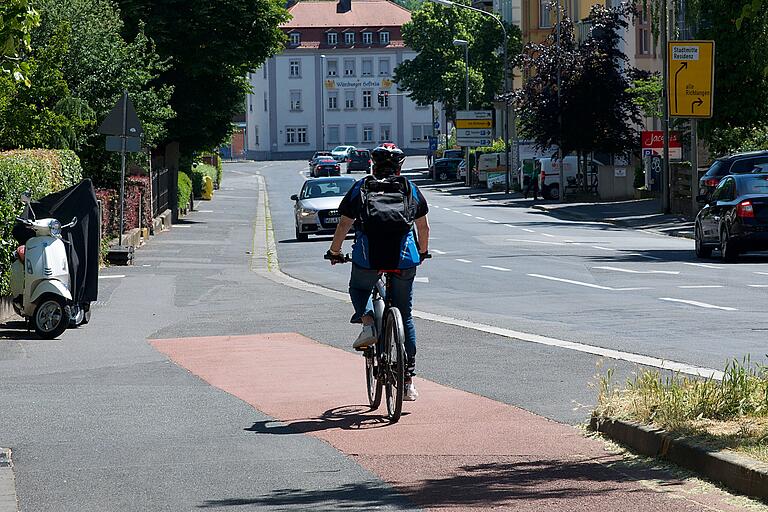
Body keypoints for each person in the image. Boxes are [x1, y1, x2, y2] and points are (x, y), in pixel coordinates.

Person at [326, 146, 430, 401]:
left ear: (372, 164)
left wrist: (334, 251)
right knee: (404, 315)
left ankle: (368, 322)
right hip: (403, 259)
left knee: (359, 288)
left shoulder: (362, 187)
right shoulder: (409, 188)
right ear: (400, 166)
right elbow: (423, 226)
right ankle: (407, 381)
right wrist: (423, 252)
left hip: (368, 257)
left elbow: (344, 223)